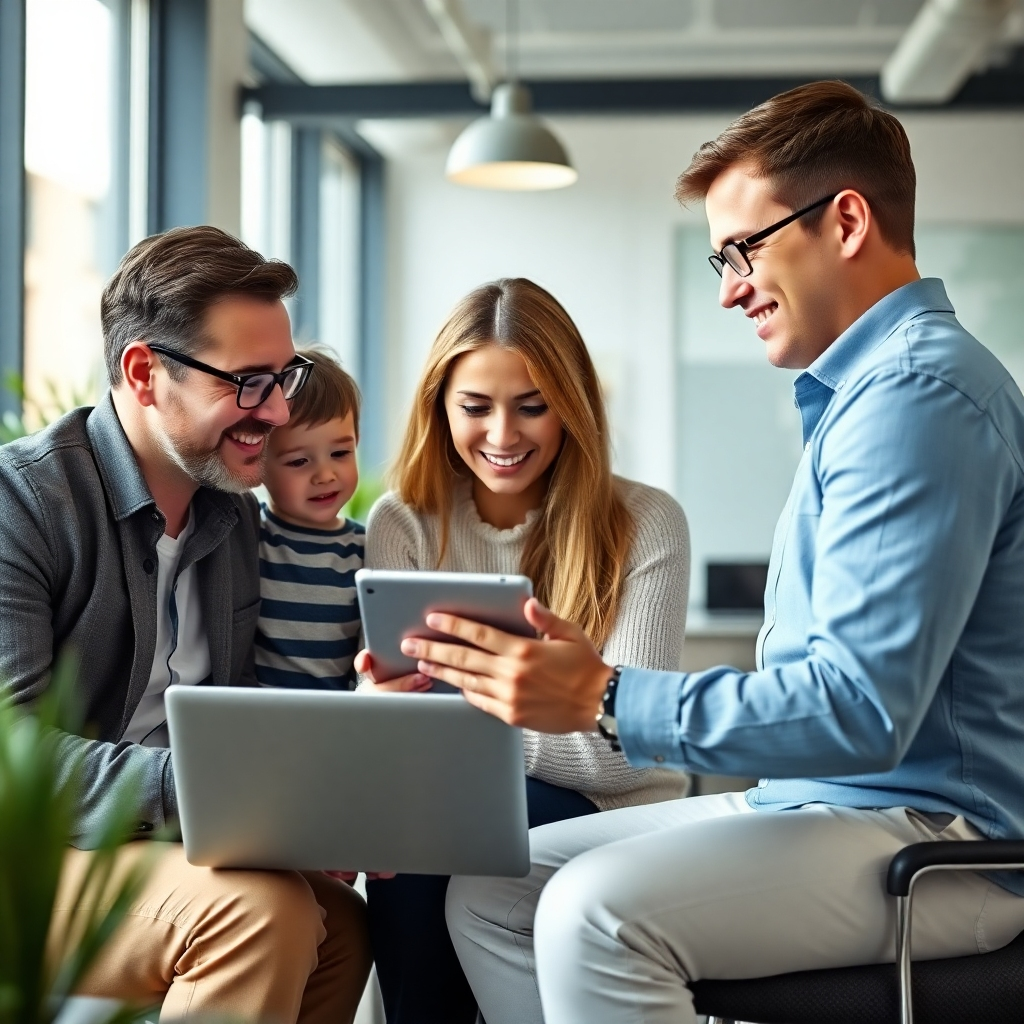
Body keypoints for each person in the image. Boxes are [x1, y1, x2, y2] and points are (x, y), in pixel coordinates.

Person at [397, 82, 1024, 1024]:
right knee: (495, 889)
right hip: (826, 805)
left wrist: (603, 696)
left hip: (935, 836)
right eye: (719, 259)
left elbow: (858, 708)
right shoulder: (869, 395)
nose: (730, 286)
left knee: (591, 916)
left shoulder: (916, 396)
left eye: (745, 249)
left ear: (845, 221)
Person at [0, 227, 371, 1022]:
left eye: (284, 377)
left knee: (342, 926)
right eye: (247, 384)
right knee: (257, 917)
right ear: (143, 373)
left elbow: (243, 707)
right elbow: (13, 756)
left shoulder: (233, 518)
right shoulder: (22, 504)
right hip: (28, 857)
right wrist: (229, 794)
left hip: (162, 844)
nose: (275, 412)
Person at [355, 277, 690, 1023]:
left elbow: (625, 751)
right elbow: (403, 741)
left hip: (611, 807)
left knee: (435, 827)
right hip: (449, 805)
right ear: (440, 407)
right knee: (415, 836)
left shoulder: (647, 523)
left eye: (532, 406)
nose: (503, 435)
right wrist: (379, 716)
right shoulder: (403, 522)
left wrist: (457, 711)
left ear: (571, 405)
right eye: (476, 407)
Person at [256, 347, 364, 689]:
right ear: (257, 464)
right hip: (257, 725)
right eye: (299, 461)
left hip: (337, 727)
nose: (325, 475)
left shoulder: (367, 551)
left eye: (340, 453)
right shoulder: (246, 538)